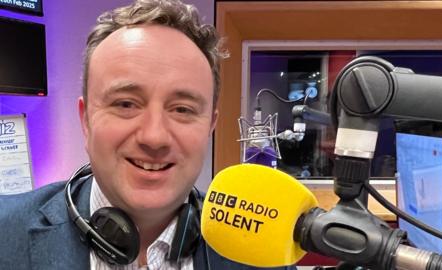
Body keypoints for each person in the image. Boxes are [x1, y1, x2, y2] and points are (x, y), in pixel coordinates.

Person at [0, 0, 297, 269]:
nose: (154, 137)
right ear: (86, 120)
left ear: (210, 127)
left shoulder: (266, 258)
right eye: (126, 104)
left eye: (182, 109)